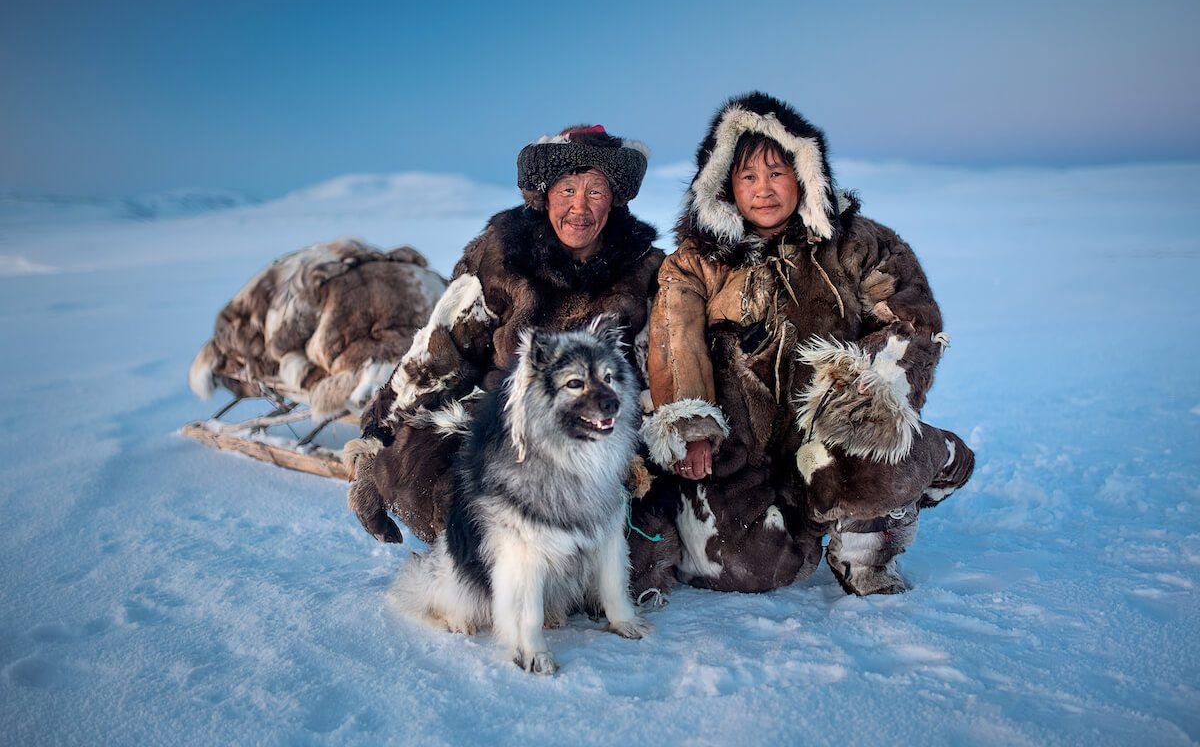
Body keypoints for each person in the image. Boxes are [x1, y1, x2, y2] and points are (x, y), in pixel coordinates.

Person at [641, 92, 974, 595]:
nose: (764, 190)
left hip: (832, 431)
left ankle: (891, 509)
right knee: (744, 568)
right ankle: (813, 515)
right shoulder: (695, 263)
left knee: (873, 455)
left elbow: (911, 322)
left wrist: (869, 401)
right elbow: (674, 341)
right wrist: (691, 423)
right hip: (742, 445)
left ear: (804, 174)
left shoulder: (858, 243)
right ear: (724, 186)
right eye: (748, 176)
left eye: (777, 172)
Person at [347, 124, 679, 593]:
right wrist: (376, 437)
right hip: (500, 431)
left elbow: (655, 372)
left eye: (594, 191)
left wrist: (639, 451)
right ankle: (486, 565)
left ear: (615, 199)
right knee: (425, 480)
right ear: (545, 195)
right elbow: (441, 352)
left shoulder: (644, 271)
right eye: (567, 189)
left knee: (636, 556)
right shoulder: (501, 256)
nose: (579, 208)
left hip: (595, 443)